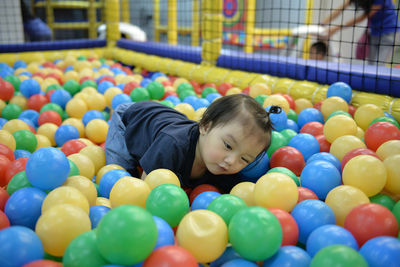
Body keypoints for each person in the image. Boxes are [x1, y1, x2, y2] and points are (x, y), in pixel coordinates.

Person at [104, 94, 280, 193]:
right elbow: (146, 192)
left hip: (167, 122)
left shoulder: (224, 167)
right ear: (205, 126)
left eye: (245, 159)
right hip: (129, 120)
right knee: (119, 176)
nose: (231, 161)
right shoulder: (172, 145)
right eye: (228, 146)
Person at [320, 0, 399, 65]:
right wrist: (323, 23)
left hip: (389, 32)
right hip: (374, 32)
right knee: (371, 65)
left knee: (378, 65)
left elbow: (363, 17)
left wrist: (335, 28)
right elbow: (340, 9)